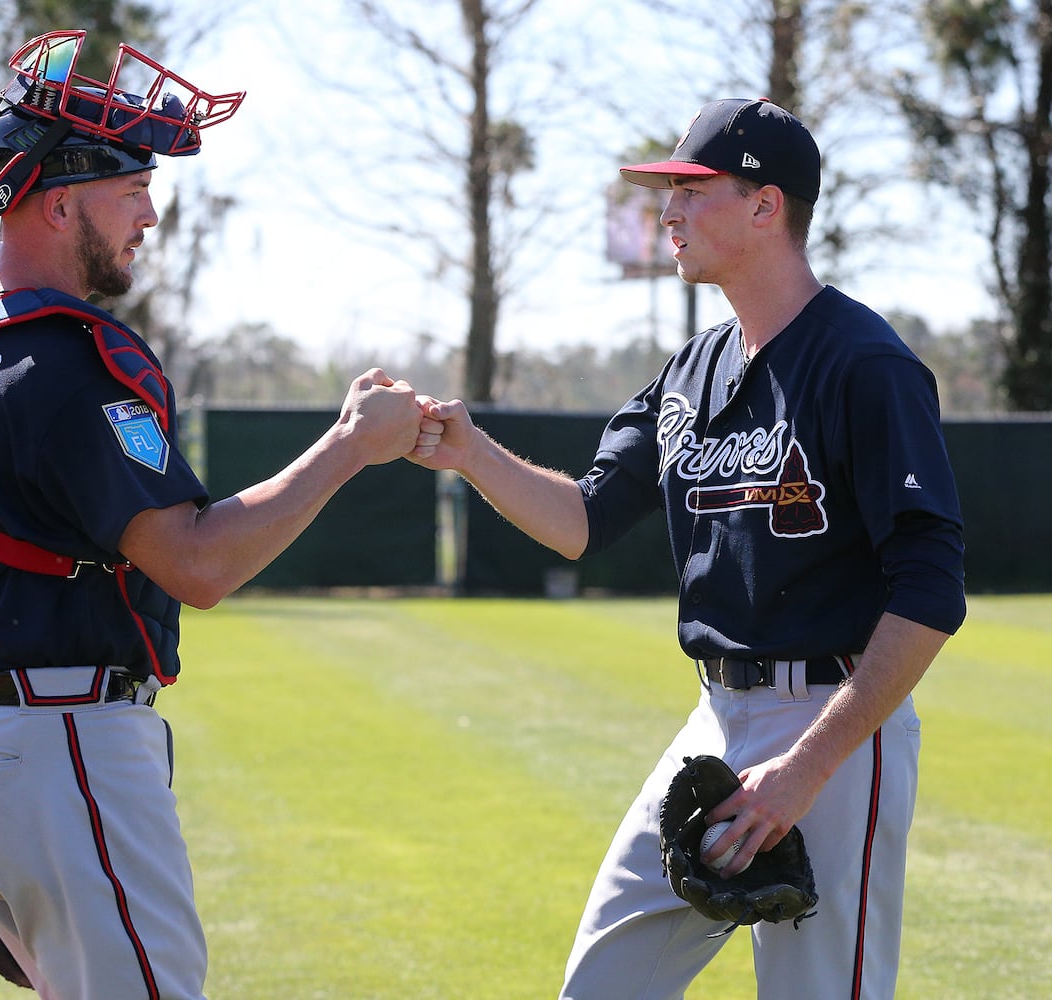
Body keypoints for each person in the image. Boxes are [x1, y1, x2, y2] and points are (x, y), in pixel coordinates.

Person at [0, 30, 436, 999]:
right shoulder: (57, 362)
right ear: (57, 201)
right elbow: (197, 563)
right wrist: (351, 442)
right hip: (59, 745)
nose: (148, 212)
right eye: (130, 186)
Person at [412, 98, 966, 999]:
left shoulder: (867, 364)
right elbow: (584, 518)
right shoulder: (692, 370)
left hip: (836, 721)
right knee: (603, 982)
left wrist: (807, 768)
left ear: (765, 206)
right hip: (715, 719)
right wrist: (468, 451)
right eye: (665, 191)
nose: (665, 211)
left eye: (690, 189)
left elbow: (931, 591)